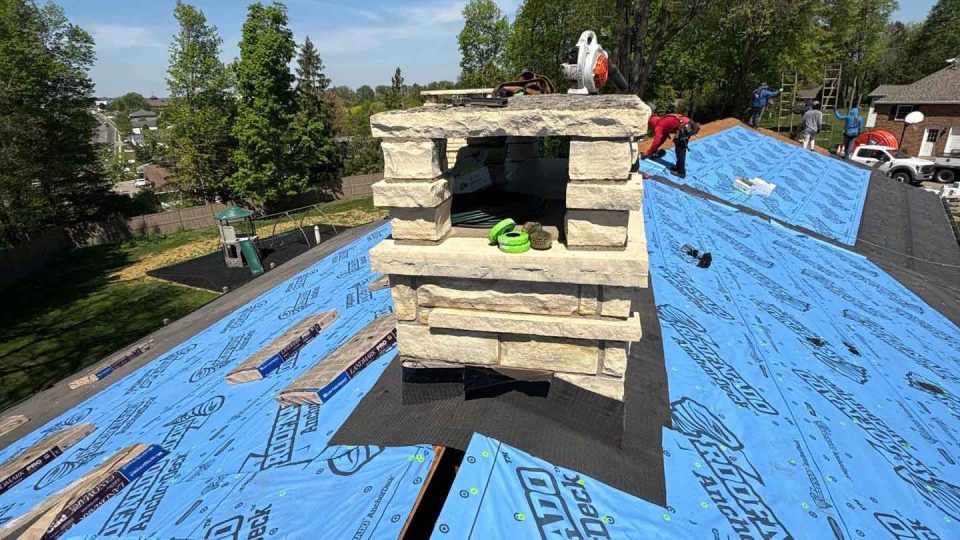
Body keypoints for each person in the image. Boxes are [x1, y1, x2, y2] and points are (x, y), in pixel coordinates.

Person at [640, 114, 692, 179]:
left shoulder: (659, 125)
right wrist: (653, 150)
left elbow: (657, 140)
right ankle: (678, 167)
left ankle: (681, 172)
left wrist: (649, 152)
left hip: (685, 127)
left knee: (680, 150)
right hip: (687, 124)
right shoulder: (662, 121)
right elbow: (662, 138)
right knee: (679, 148)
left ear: (652, 123)